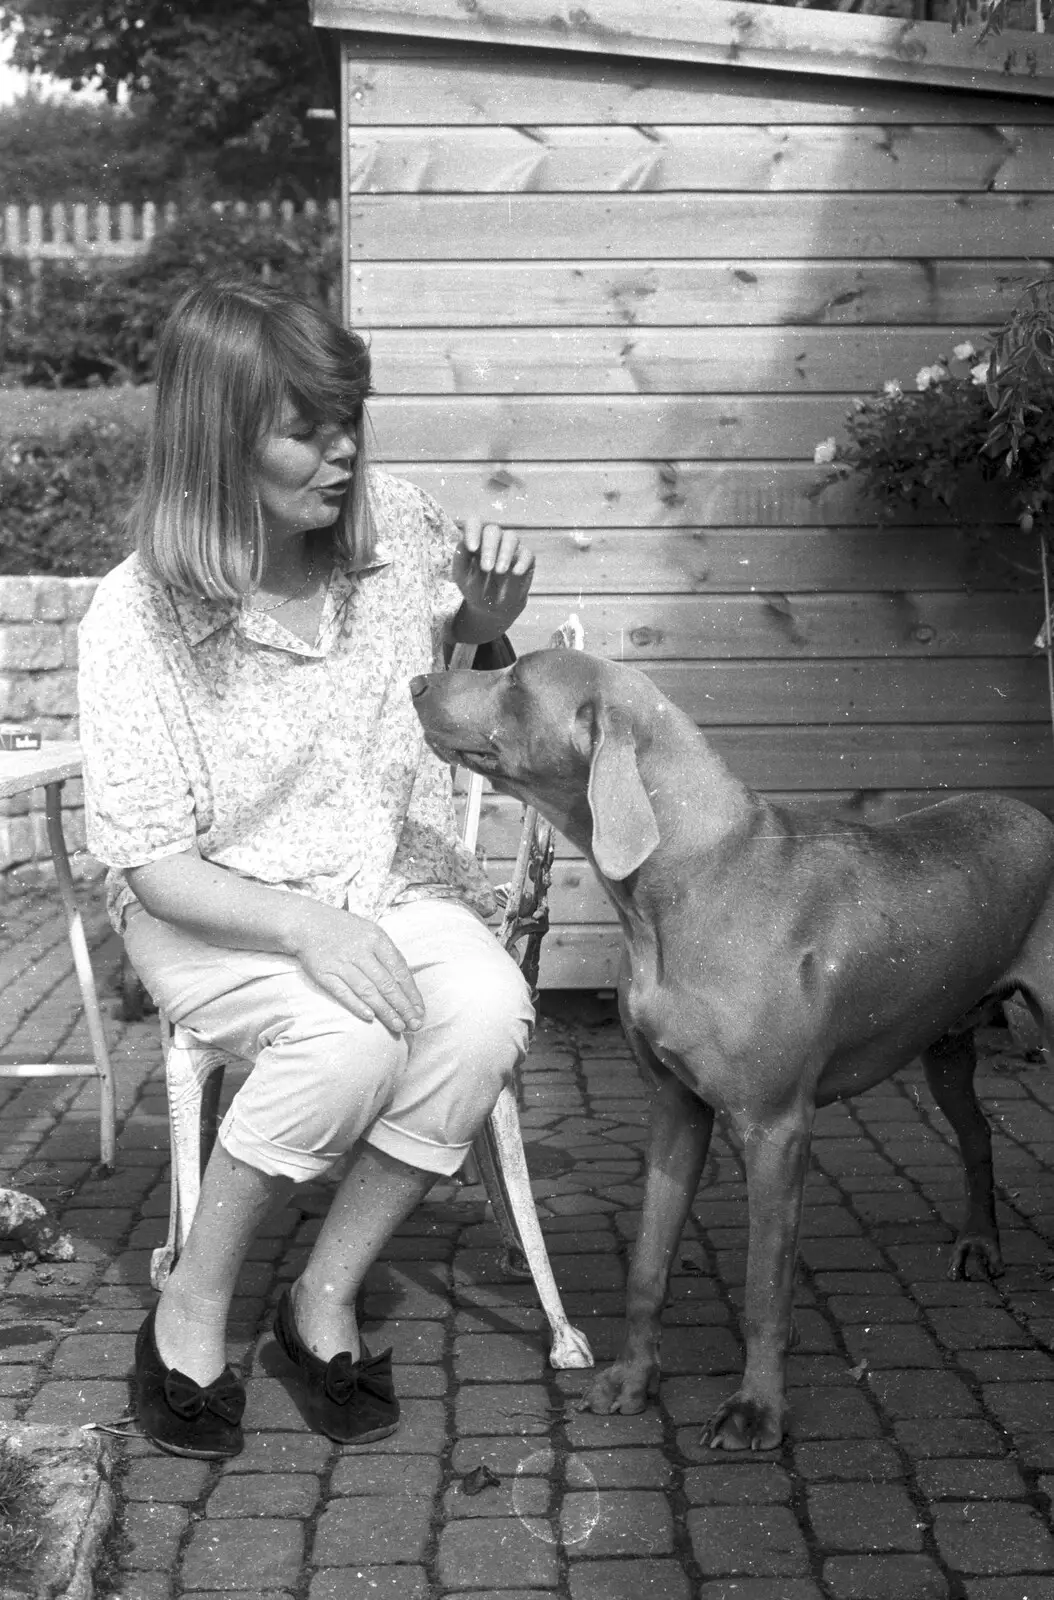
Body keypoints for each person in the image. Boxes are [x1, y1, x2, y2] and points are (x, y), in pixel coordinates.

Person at [77, 280, 536, 1460]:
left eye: (349, 419)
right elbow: (150, 859)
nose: (342, 452)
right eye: (305, 428)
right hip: (210, 902)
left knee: (483, 1009)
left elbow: (471, 687)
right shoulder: (136, 619)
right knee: (349, 1038)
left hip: (381, 871)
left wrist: (483, 627)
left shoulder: (397, 530)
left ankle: (322, 1291)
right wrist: (306, 930)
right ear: (217, 443)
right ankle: (193, 1298)